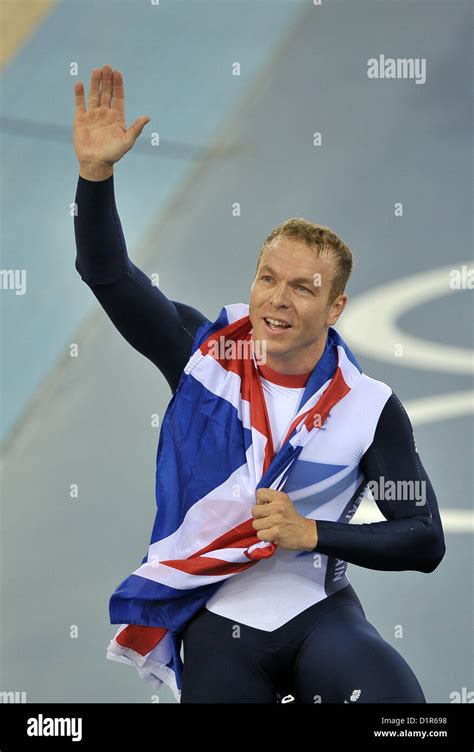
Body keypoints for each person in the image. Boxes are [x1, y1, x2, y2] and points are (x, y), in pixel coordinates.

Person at [73, 65, 446, 703]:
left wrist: (312, 533)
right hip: (220, 629)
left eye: (303, 287)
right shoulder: (203, 358)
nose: (277, 299)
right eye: (268, 278)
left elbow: (422, 535)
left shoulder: (369, 410)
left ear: (336, 309)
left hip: (321, 617)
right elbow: (106, 272)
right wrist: (96, 177)